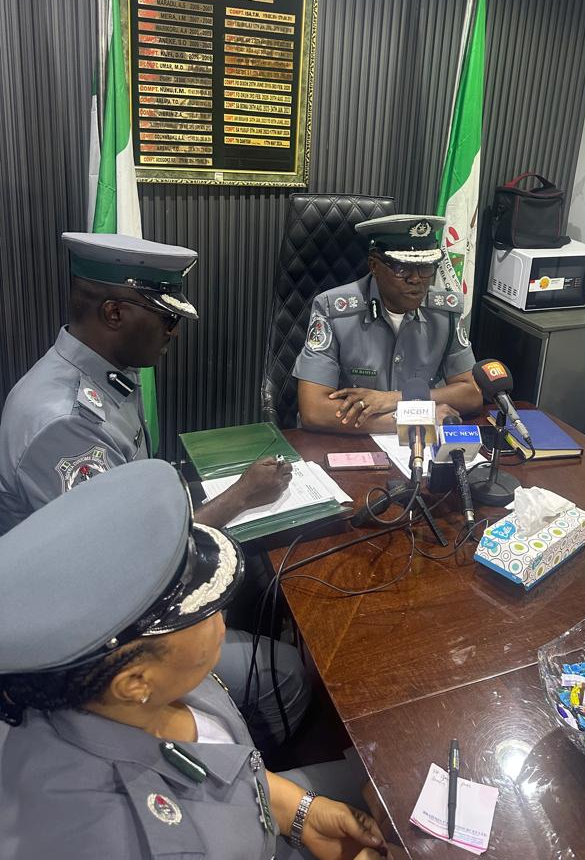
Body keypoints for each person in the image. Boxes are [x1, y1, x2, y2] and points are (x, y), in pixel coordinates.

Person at [0, 232, 309, 742]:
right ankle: (243, 770)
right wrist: (241, 496)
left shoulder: (103, 377)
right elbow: (122, 567)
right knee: (287, 672)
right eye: (165, 317)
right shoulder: (65, 423)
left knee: (255, 586)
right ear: (114, 313)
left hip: (116, 601)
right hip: (98, 649)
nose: (174, 331)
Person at [0, 460, 389, 860]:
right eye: (201, 611)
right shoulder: (125, 840)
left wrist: (300, 811)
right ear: (135, 683)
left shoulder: (113, 683)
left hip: (260, 812)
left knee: (387, 778)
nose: (220, 615)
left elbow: (225, 769)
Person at [294, 214, 482, 433]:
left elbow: (472, 394)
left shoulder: (444, 312)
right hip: (351, 441)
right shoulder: (333, 310)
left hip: (419, 444)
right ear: (374, 266)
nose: (416, 279)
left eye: (425, 267)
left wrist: (394, 399)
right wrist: (412, 419)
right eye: (402, 268)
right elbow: (314, 411)